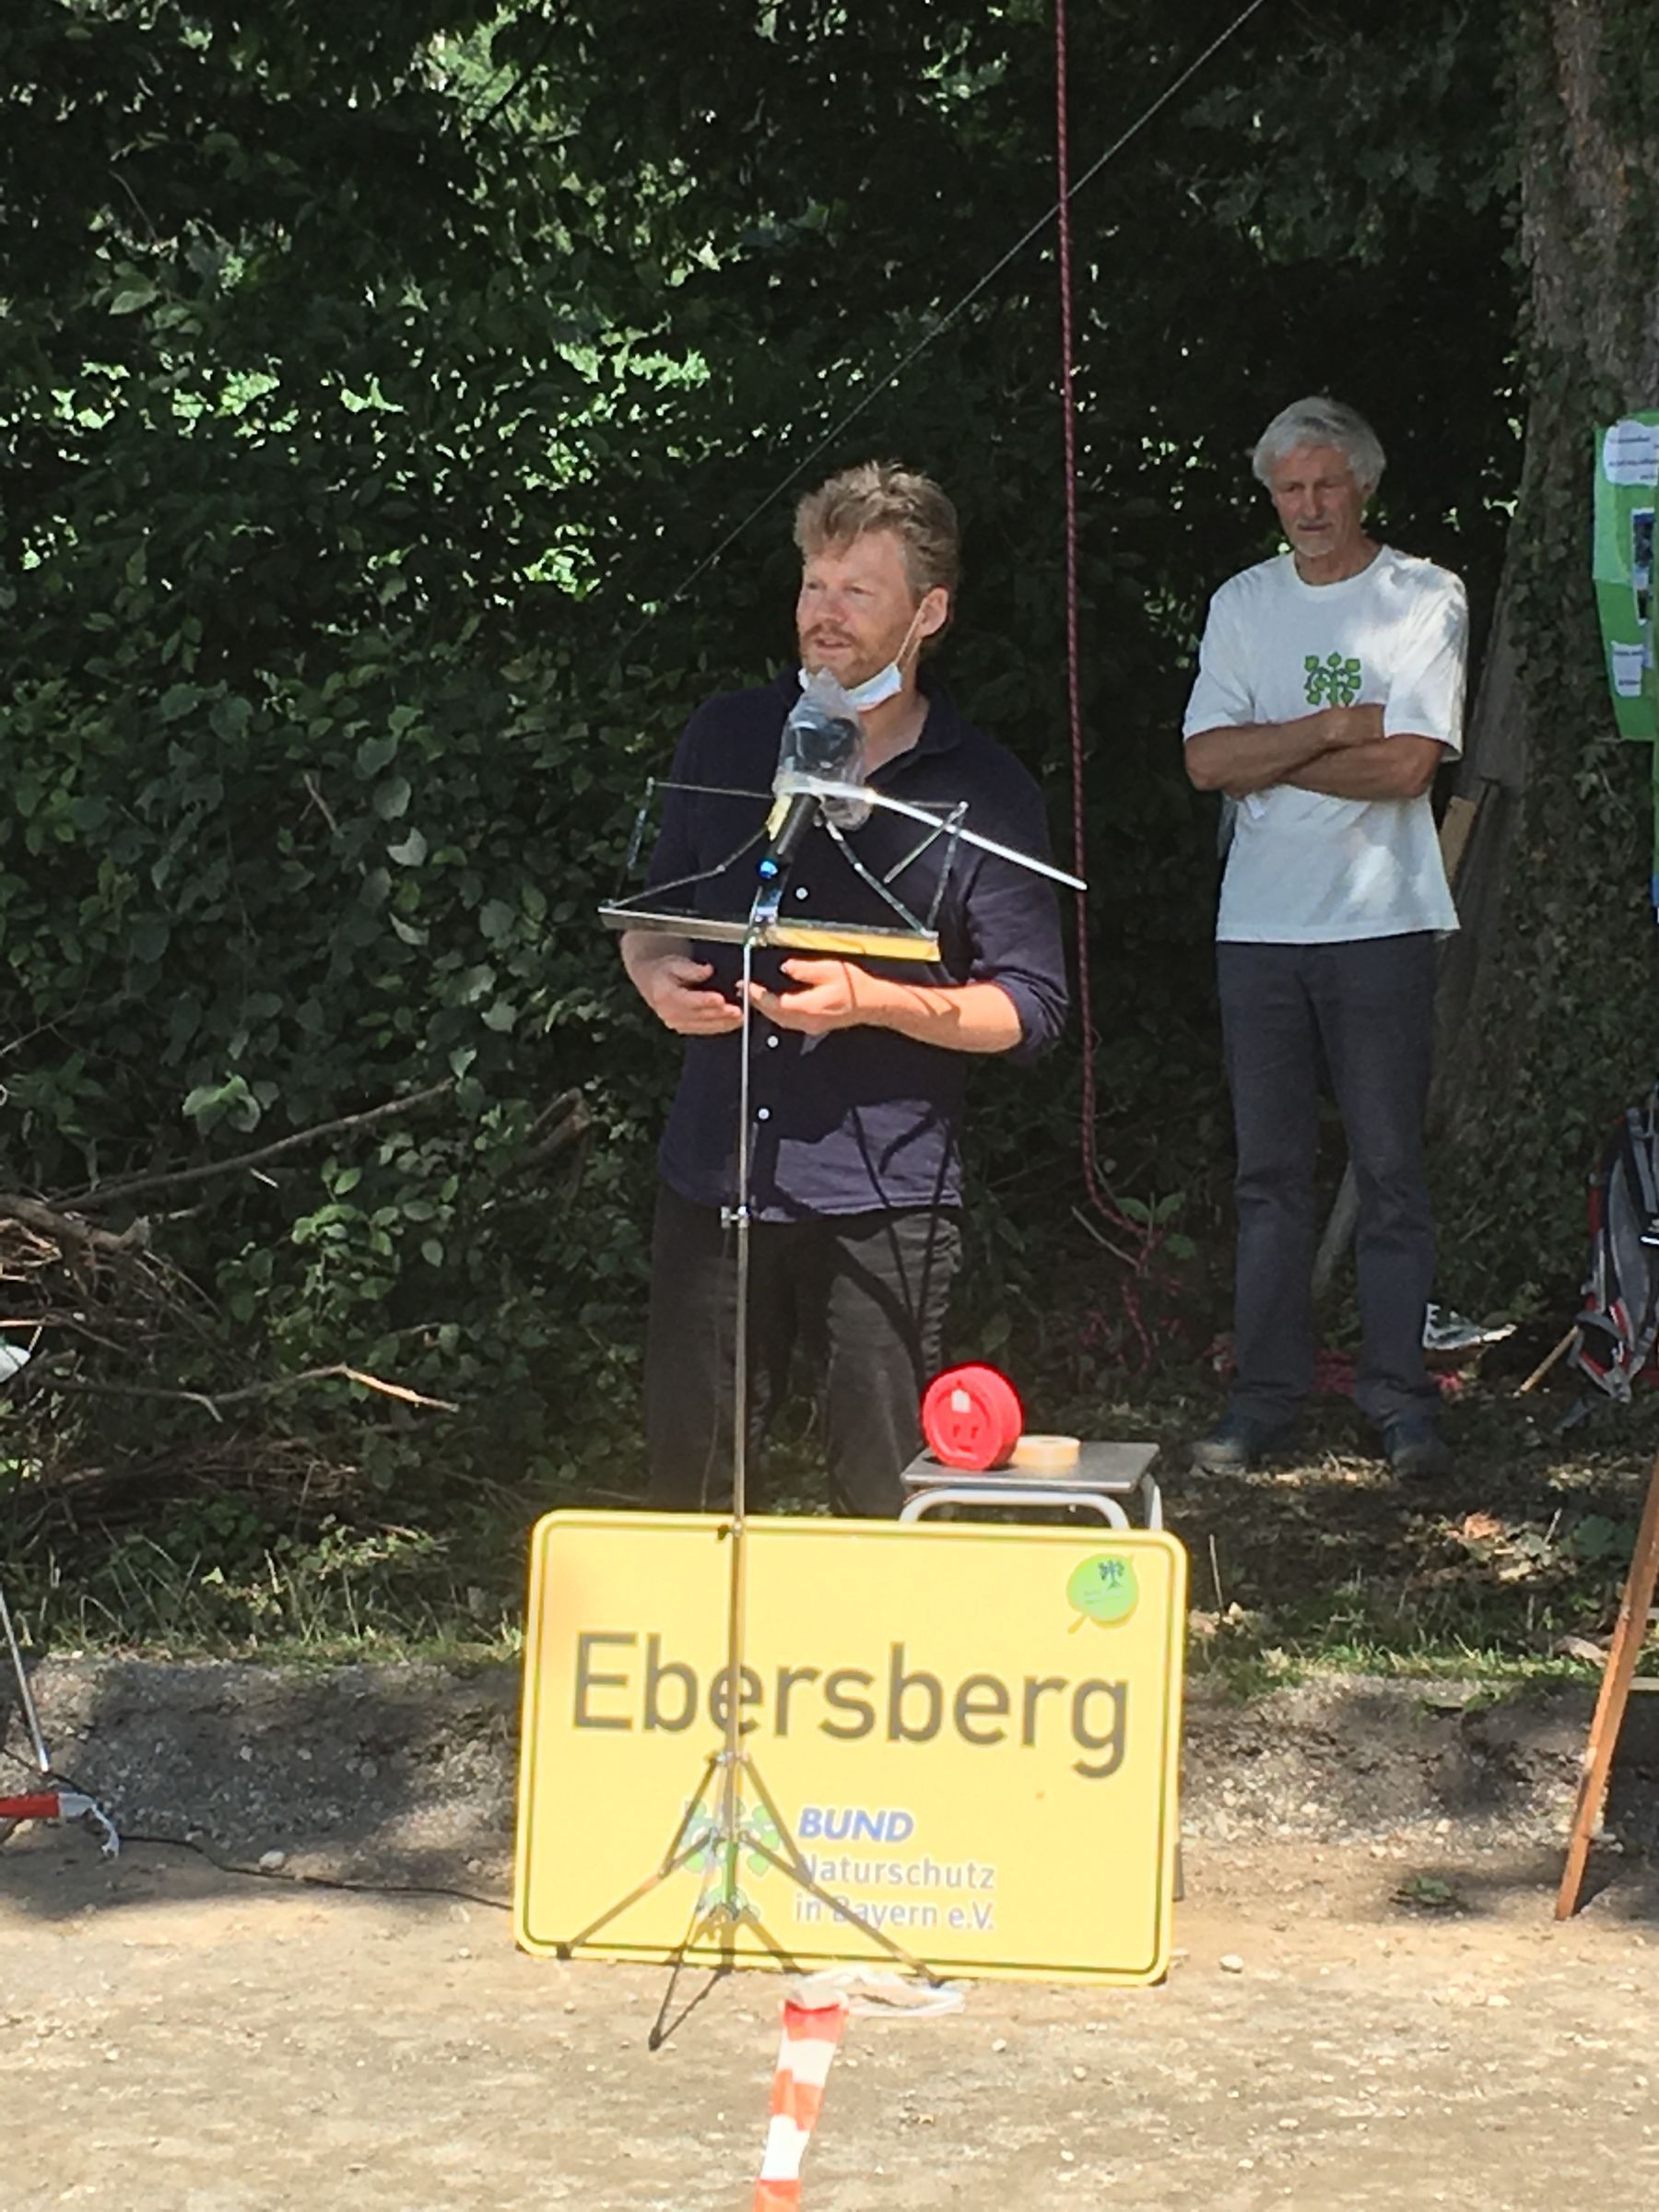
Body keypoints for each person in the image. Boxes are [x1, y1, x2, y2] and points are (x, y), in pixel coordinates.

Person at [621, 461, 1067, 1516]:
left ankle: (871, 1680)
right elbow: (655, 914)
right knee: (692, 1483)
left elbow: (1032, 1010)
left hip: (887, 1195)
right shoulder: (728, 735)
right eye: (815, 586)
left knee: (884, 1492)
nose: (824, 616)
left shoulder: (982, 787)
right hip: (717, 1167)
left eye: (857, 592)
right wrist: (651, 972)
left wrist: (878, 1001)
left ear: (930, 611)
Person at [1182, 397, 1467, 1478]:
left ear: (1363, 487)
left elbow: (1408, 768)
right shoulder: (1244, 604)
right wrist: (1335, 727)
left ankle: (1400, 1401)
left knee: (1390, 1170)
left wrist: (1275, 751)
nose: (1308, 507)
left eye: (1326, 485)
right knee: (1269, 1176)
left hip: (1381, 919)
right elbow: (1207, 761)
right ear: (1272, 497)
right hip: (1258, 925)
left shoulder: (1423, 597)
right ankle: (1264, 1400)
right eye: (1289, 489)